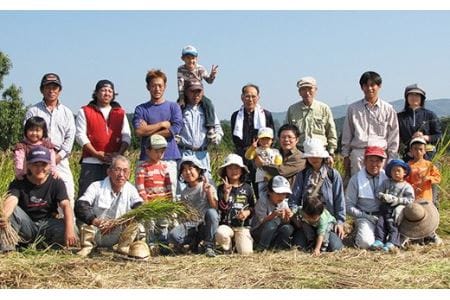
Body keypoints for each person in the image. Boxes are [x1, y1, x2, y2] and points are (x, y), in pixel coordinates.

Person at [0, 146, 77, 252]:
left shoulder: (56, 182)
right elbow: (12, 200)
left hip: (47, 224)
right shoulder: (19, 182)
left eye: (44, 164)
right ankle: (8, 250)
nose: (40, 168)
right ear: (28, 165)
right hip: (26, 225)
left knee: (72, 227)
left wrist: (69, 230)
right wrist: (4, 216)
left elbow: (66, 204)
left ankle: (49, 248)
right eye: (35, 164)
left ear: (50, 165)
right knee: (12, 213)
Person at [75, 155, 144, 257]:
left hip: (118, 232)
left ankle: (123, 247)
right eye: (117, 170)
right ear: (109, 172)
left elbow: (140, 207)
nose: (121, 174)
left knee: (137, 225)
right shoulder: (96, 186)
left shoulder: (131, 189)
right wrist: (96, 222)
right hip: (96, 230)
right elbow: (81, 205)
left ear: (129, 174)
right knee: (85, 222)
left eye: (125, 171)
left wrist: (120, 222)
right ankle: (87, 247)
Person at [25, 73, 76, 208]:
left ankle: (68, 227)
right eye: (48, 87)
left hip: (61, 160)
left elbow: (70, 138)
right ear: (42, 90)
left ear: (60, 90)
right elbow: (27, 136)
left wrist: (58, 157)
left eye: (55, 87)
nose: (51, 90)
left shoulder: (67, 113)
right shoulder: (33, 111)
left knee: (68, 195)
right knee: (36, 197)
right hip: (37, 161)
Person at [75, 79, 131, 198]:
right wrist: (96, 153)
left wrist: (118, 155)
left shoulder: (120, 113)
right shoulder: (85, 111)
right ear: (96, 93)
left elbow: (126, 136)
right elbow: (80, 136)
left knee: (112, 195)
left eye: (110, 91)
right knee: (87, 194)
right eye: (103, 90)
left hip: (113, 163)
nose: (107, 93)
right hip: (91, 161)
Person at [133, 69, 183, 198]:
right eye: (153, 85)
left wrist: (148, 131)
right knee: (145, 197)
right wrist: (162, 124)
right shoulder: (141, 109)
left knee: (170, 197)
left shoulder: (174, 107)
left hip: (169, 158)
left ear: (165, 87)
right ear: (148, 87)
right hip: (146, 160)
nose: (157, 89)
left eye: (160, 85)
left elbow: (175, 129)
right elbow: (139, 131)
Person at [289, 137, 345, 251]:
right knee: (299, 246)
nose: (314, 158)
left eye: (317, 155)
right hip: (307, 219)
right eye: (311, 155)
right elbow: (294, 199)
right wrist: (295, 216)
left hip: (326, 219)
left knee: (335, 248)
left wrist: (340, 222)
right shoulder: (302, 174)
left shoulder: (332, 174)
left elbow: (339, 199)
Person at [341, 71, 399, 182]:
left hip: (380, 155)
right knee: (358, 186)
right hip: (359, 154)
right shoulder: (353, 108)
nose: (369, 88)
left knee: (380, 188)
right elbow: (347, 133)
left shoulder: (388, 109)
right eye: (366, 85)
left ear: (379, 86)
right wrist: (345, 155)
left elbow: (393, 135)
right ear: (362, 87)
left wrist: (391, 158)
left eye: (373, 85)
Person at [168, 157, 219, 257]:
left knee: (212, 213)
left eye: (191, 168)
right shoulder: (184, 193)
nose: (187, 172)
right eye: (184, 169)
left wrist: (208, 193)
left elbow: (215, 207)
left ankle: (209, 245)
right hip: (191, 225)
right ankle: (194, 242)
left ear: (198, 170)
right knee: (173, 235)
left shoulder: (207, 185)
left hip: (205, 224)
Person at [230, 83, 275, 196]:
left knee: (261, 191)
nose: (250, 99)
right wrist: (249, 152)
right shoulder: (236, 116)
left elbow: (271, 138)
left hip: (261, 158)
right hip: (243, 157)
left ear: (258, 97)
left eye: (253, 96)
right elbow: (235, 139)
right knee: (241, 191)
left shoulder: (266, 115)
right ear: (242, 97)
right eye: (247, 96)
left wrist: (259, 154)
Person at [177, 79, 223, 185]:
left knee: (206, 186)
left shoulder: (207, 110)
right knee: (184, 188)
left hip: (202, 155)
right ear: (186, 92)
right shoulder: (180, 109)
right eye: (192, 91)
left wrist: (216, 137)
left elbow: (218, 128)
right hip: (184, 153)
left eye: (199, 91)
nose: (196, 95)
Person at [285, 76, 338, 163]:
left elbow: (331, 132)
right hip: (299, 152)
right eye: (303, 89)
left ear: (316, 90)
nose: (307, 92)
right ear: (299, 92)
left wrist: (331, 153)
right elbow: (287, 132)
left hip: (320, 152)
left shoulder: (324, 108)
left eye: (310, 89)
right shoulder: (292, 109)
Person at [345, 146, 388, 249]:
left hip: (385, 217)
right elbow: (348, 205)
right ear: (365, 161)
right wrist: (366, 216)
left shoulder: (388, 177)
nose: (374, 164)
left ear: (382, 163)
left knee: (394, 240)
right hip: (365, 218)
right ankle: (357, 232)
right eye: (371, 160)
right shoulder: (355, 179)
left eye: (378, 161)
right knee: (365, 243)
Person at [215, 154, 256, 255]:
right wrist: (226, 193)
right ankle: (227, 248)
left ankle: (238, 242)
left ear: (242, 170)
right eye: (230, 168)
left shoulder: (248, 188)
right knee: (221, 233)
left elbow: (253, 207)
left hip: (242, 226)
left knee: (246, 252)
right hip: (226, 225)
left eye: (236, 168)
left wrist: (247, 212)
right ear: (226, 171)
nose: (234, 171)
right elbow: (222, 208)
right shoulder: (221, 188)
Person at [370, 159, 414, 252]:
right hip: (384, 208)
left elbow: (410, 200)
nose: (396, 173)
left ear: (404, 172)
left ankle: (392, 243)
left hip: (396, 210)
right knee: (380, 224)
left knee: (393, 226)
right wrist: (383, 196)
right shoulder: (386, 182)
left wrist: (398, 200)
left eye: (398, 170)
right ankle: (379, 240)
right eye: (393, 171)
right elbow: (378, 192)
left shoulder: (407, 186)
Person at [405, 137, 442, 245]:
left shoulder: (429, 165)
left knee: (427, 217)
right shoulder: (408, 165)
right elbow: (405, 181)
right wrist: (411, 187)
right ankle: (417, 237)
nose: (418, 151)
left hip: (427, 197)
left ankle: (431, 235)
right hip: (414, 197)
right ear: (411, 151)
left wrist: (429, 178)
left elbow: (438, 178)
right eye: (415, 149)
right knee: (416, 216)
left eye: (421, 149)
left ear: (425, 150)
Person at [177, 45, 219, 140]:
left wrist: (212, 75)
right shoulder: (181, 69)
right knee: (178, 107)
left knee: (208, 103)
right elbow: (180, 84)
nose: (191, 61)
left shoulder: (200, 68)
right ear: (183, 59)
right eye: (188, 58)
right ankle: (177, 129)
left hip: (199, 93)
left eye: (193, 58)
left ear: (197, 58)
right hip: (186, 92)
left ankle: (211, 127)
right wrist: (182, 98)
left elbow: (209, 81)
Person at [397, 84, 442, 162]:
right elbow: (395, 137)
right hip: (406, 157)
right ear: (406, 97)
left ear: (422, 98)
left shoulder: (430, 115)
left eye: (417, 95)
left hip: (427, 157)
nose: (414, 97)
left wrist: (425, 137)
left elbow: (438, 136)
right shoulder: (399, 117)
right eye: (411, 95)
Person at [251, 176, 294, 251]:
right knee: (271, 224)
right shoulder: (262, 201)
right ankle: (262, 247)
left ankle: (277, 247)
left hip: (274, 232)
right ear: (269, 192)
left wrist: (287, 216)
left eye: (284, 194)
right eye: (278, 193)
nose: (281, 197)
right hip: (259, 232)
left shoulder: (283, 203)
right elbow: (261, 221)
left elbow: (285, 222)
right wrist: (273, 215)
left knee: (288, 228)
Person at [245, 127, 282, 196]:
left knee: (274, 195)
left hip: (272, 178)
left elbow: (278, 162)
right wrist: (252, 148)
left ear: (272, 140)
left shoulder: (275, 151)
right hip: (261, 178)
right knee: (262, 195)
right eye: (262, 139)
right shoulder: (257, 150)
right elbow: (248, 156)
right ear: (258, 140)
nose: (265, 141)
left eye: (267, 139)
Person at [135, 134, 172, 202]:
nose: (159, 154)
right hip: (149, 204)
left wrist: (170, 200)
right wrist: (146, 202)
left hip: (163, 203)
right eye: (156, 151)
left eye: (162, 151)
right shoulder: (142, 168)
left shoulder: (164, 167)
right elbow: (140, 188)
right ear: (148, 151)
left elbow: (168, 185)